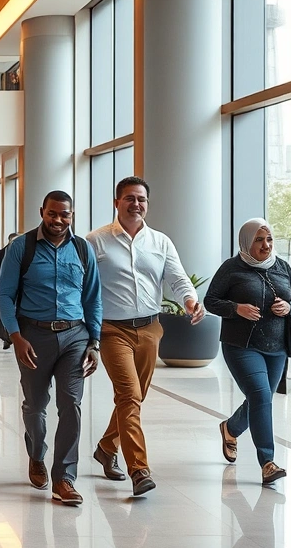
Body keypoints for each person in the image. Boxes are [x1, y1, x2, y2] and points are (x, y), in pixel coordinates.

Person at [85, 177, 205, 495]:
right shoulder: (95, 241)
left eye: (141, 199)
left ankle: (106, 448)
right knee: (128, 396)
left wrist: (191, 301)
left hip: (150, 329)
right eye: (129, 198)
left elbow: (178, 279)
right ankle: (138, 470)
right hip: (112, 330)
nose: (136, 204)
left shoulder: (160, 242)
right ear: (116, 202)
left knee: (134, 399)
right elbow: (83, 287)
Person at [0, 191, 101, 506]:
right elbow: (3, 294)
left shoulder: (83, 249)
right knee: (35, 404)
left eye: (65, 215)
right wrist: (16, 337)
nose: (58, 220)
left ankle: (64, 478)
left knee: (71, 404)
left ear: (72, 215)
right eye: (53, 214)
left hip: (75, 337)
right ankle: (37, 454)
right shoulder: (21, 248)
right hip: (33, 336)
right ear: (42, 211)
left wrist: (95, 342)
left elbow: (93, 298)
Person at [205, 218, 291, 485]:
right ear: (247, 242)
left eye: (269, 239)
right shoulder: (232, 268)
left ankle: (230, 428)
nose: (266, 245)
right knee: (261, 395)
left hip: (277, 347)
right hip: (241, 345)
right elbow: (210, 300)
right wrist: (236, 308)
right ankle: (267, 462)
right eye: (259, 240)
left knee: (260, 399)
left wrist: (289, 307)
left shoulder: (282, 266)